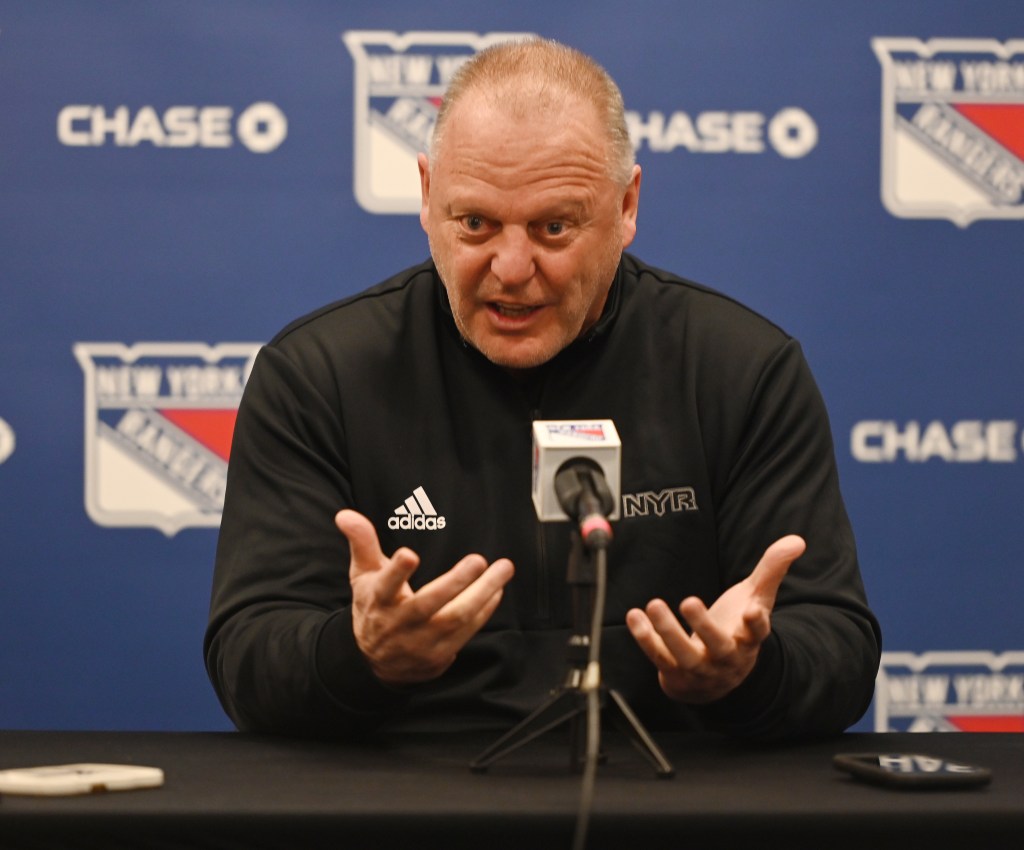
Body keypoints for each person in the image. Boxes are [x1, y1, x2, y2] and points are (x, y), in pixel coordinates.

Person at [204, 38, 881, 741]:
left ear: (626, 207)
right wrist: (363, 656)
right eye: (475, 224)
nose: (512, 266)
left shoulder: (741, 369)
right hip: (409, 800)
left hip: (667, 795)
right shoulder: (318, 375)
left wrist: (749, 673)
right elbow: (246, 657)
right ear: (427, 198)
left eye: (554, 227)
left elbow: (840, 648)